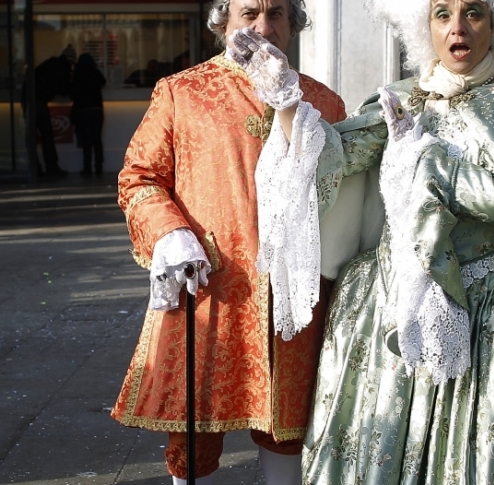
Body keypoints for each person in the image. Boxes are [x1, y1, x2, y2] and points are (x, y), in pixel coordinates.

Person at [226, 0, 494, 483]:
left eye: (473, 12)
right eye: (441, 13)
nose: (457, 27)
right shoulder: (402, 98)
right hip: (397, 300)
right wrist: (286, 99)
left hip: (485, 311)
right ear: (423, 26)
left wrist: (428, 163)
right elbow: (335, 155)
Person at [109, 0, 346, 484]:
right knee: (193, 433)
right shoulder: (182, 92)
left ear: (294, 23)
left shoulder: (322, 100)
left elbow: (344, 194)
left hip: (293, 295)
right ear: (223, 22)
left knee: (288, 427)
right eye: (248, 14)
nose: (263, 27)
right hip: (210, 287)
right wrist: (170, 232)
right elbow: (140, 178)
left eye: (276, 13)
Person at [21, 44, 76, 177]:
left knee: (33, 136)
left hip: (28, 98)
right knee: (46, 135)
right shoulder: (63, 68)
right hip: (37, 101)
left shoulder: (52, 63)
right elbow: (64, 90)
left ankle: (35, 168)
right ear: (71, 61)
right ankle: (51, 167)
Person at [70, 53, 106, 176]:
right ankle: (99, 167)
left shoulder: (77, 75)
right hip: (97, 110)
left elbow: (72, 92)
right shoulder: (95, 73)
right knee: (97, 140)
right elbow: (103, 82)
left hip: (83, 110)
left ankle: (87, 168)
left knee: (87, 141)